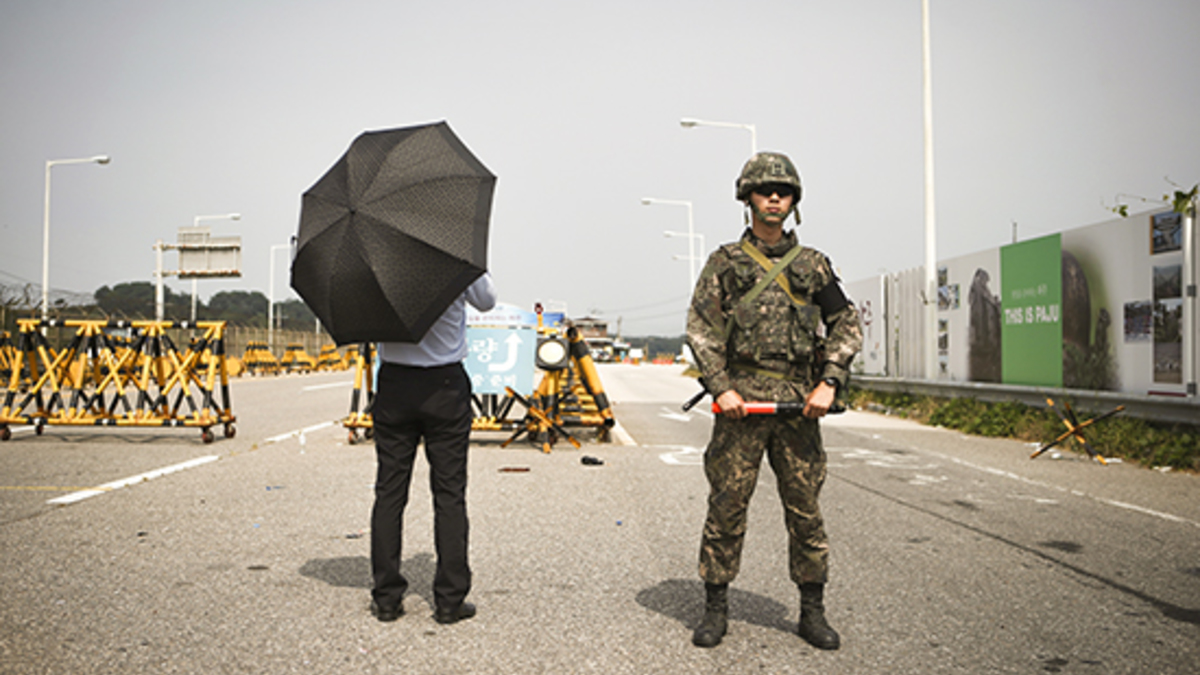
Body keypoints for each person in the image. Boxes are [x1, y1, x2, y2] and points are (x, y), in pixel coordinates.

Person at [685, 152, 862, 650]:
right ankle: (715, 606)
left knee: (805, 510)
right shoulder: (725, 262)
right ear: (748, 199)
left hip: (798, 405)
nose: (774, 198)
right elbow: (702, 328)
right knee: (726, 507)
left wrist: (829, 380)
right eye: (765, 191)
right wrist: (722, 387)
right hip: (742, 404)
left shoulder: (812, 265)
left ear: (794, 202)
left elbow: (845, 324)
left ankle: (812, 610)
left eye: (783, 192)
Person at [369, 272, 497, 624]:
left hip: (395, 382)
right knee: (450, 494)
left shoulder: (379, 265)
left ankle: (387, 599)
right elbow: (487, 301)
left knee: (389, 492)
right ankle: (449, 600)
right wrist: (476, 266)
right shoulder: (455, 257)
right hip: (444, 385)